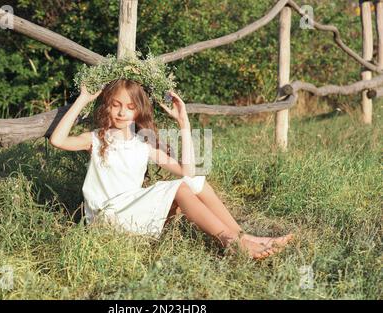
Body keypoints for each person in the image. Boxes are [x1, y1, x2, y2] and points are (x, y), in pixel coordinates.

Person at [50, 79, 293, 260]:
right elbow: (58, 140)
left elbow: (188, 171)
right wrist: (82, 99)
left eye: (130, 107)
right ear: (107, 107)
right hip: (108, 216)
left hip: (133, 211)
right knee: (180, 189)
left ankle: (244, 237)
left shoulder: (144, 142)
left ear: (139, 110)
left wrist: (183, 123)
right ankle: (230, 242)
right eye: (115, 105)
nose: (122, 112)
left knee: (196, 181)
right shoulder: (96, 139)